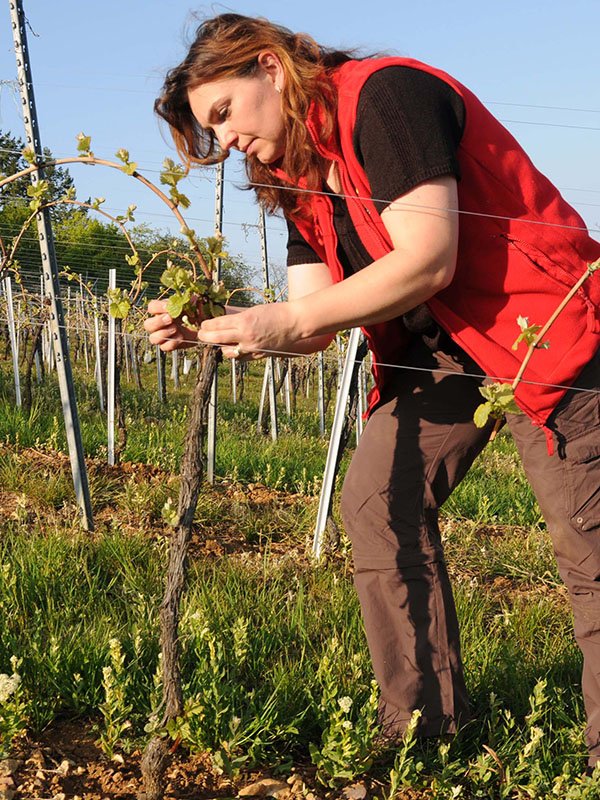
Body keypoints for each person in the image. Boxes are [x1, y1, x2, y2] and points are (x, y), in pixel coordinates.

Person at [145, 13, 600, 767]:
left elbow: (427, 259)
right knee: (375, 499)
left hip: (542, 327)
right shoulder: (291, 175)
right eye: (209, 131)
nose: (224, 141)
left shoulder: (385, 98)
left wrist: (284, 319)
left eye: (224, 112)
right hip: (442, 354)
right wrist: (213, 326)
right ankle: (422, 732)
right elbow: (310, 318)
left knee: (587, 543)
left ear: (271, 67)